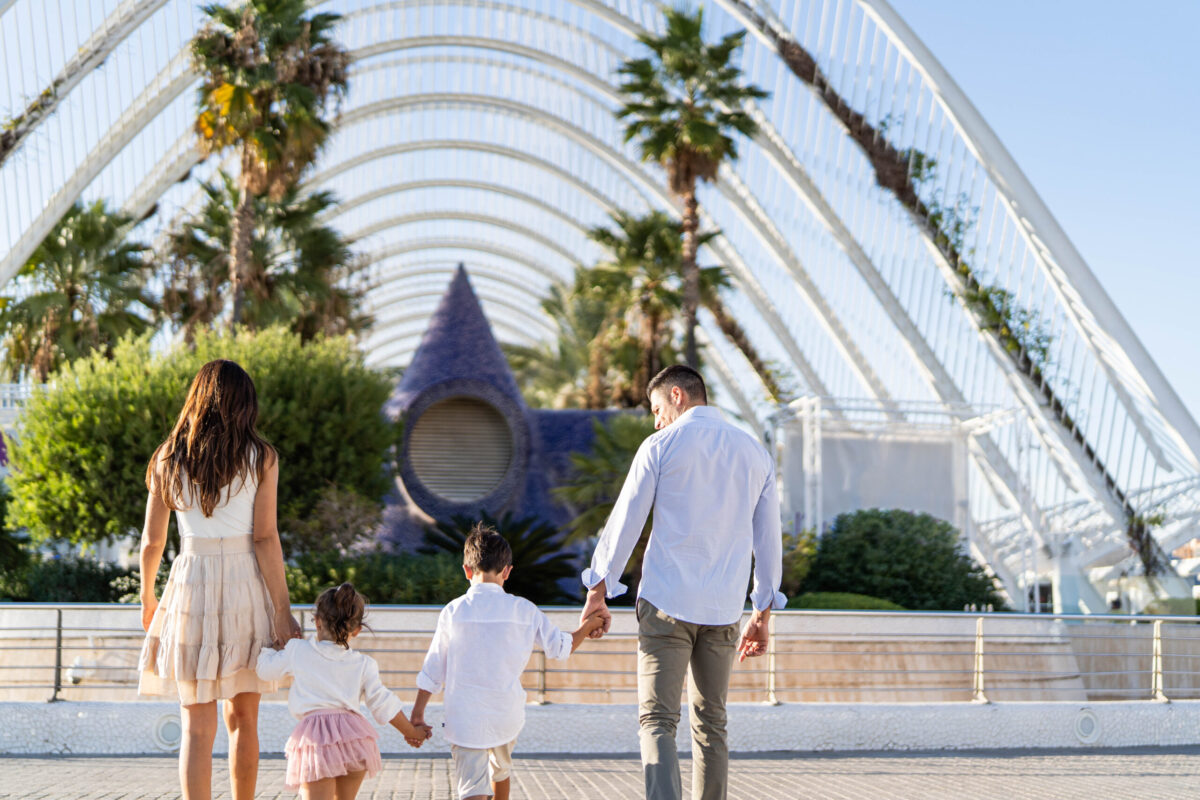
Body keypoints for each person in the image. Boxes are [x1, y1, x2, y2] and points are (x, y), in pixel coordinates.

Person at [579, 364, 785, 800]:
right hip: (724, 610)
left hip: (665, 604)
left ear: (678, 395)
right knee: (712, 722)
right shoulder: (755, 453)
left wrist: (598, 588)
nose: (655, 420)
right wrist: (762, 613)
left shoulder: (661, 446)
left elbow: (625, 521)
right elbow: (768, 540)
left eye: (657, 408)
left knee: (657, 720)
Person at [138, 359, 303, 800]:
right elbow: (265, 537)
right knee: (244, 718)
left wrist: (147, 597)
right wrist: (283, 613)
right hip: (245, 583)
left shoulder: (168, 456)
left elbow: (153, 543)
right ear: (243, 404)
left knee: (195, 725)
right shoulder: (260, 456)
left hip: (190, 583)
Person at [411, 524, 605, 800]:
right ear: (507, 572)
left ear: (466, 570)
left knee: (472, 789)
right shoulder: (524, 610)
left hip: (464, 719)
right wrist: (588, 626)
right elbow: (561, 648)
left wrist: (417, 716)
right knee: (500, 771)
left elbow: (433, 669)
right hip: (506, 716)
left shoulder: (453, 612)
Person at [257, 583, 433, 799]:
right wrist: (411, 732)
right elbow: (382, 704)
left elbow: (265, 671)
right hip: (355, 740)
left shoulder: (297, 650)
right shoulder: (364, 664)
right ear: (357, 630)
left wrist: (272, 649)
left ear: (318, 622)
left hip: (317, 742)